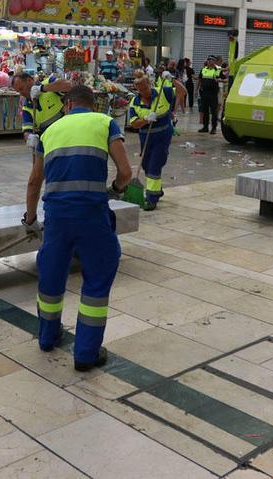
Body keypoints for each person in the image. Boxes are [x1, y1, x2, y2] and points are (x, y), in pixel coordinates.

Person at [22, 85, 132, 371]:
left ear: (67, 106)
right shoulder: (105, 123)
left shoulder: (49, 132)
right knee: (98, 276)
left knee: (51, 275)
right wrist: (116, 190)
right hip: (92, 215)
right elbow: (126, 172)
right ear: (93, 106)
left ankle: (47, 338)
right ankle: (85, 354)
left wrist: (31, 219)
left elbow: (34, 182)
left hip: (56, 217)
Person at [128, 75, 175, 211]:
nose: (144, 91)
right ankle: (157, 190)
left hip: (162, 136)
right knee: (146, 165)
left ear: (150, 84)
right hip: (146, 137)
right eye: (140, 89)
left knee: (154, 165)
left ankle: (151, 198)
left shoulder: (163, 92)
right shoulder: (135, 102)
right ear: (136, 89)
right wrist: (146, 120)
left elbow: (182, 91)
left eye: (145, 87)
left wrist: (173, 79)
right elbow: (134, 123)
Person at [13, 72, 72, 153]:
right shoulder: (27, 108)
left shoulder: (49, 82)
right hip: (50, 143)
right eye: (18, 91)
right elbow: (27, 130)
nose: (21, 93)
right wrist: (29, 138)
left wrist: (42, 88)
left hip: (68, 136)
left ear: (29, 80)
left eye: (21, 88)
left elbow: (68, 86)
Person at [197, 55, 221, 134]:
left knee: (214, 111)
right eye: (209, 60)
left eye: (212, 60)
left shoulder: (217, 70)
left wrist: (219, 80)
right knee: (205, 111)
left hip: (213, 94)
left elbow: (225, 79)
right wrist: (196, 90)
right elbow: (199, 79)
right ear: (207, 61)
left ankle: (213, 128)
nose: (210, 62)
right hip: (204, 93)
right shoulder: (203, 70)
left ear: (214, 61)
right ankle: (205, 127)